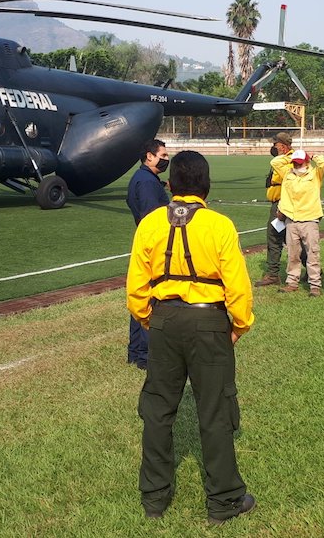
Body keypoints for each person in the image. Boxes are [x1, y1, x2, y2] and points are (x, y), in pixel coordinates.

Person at [126, 150, 256, 524]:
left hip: (164, 320)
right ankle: (225, 501)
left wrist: (152, 322)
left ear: (171, 185)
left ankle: (154, 498)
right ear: (206, 185)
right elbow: (238, 288)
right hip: (209, 322)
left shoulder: (150, 224)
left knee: (157, 409)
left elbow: (136, 288)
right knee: (215, 410)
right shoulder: (218, 225)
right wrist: (239, 326)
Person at [124, 139, 171, 369]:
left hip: (147, 244)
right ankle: (143, 354)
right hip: (153, 249)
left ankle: (136, 352)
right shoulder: (146, 183)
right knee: (149, 300)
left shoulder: (146, 179)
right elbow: (152, 218)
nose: (166, 159)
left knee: (142, 299)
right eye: (162, 155)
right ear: (149, 156)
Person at [273, 148, 324, 296]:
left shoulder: (315, 174)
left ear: (306, 162)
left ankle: (315, 285)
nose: (297, 167)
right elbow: (275, 161)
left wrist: (313, 155)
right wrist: (290, 156)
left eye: (299, 163)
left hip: (310, 219)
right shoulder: (288, 173)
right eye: (295, 164)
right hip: (291, 219)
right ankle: (292, 282)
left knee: (312, 253)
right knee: (292, 253)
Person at [254, 132, 294, 287]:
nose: (273, 147)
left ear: (283, 146)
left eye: (275, 144)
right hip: (279, 202)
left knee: (276, 237)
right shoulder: (285, 159)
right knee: (287, 237)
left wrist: (282, 207)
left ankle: (273, 274)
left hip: (283, 203)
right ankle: (311, 270)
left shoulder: (289, 160)